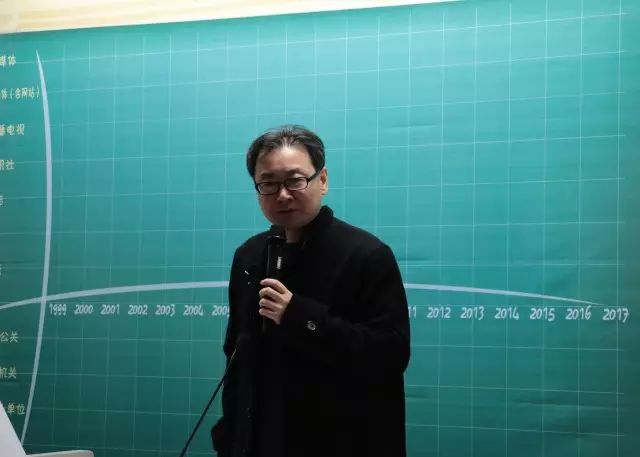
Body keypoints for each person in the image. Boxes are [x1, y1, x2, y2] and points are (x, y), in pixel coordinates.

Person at [211, 125, 410, 457]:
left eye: (295, 180)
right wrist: (230, 437)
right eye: (268, 183)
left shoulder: (366, 255)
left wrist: (299, 315)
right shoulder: (250, 256)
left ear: (323, 180)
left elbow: (391, 355)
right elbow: (236, 358)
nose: (282, 195)